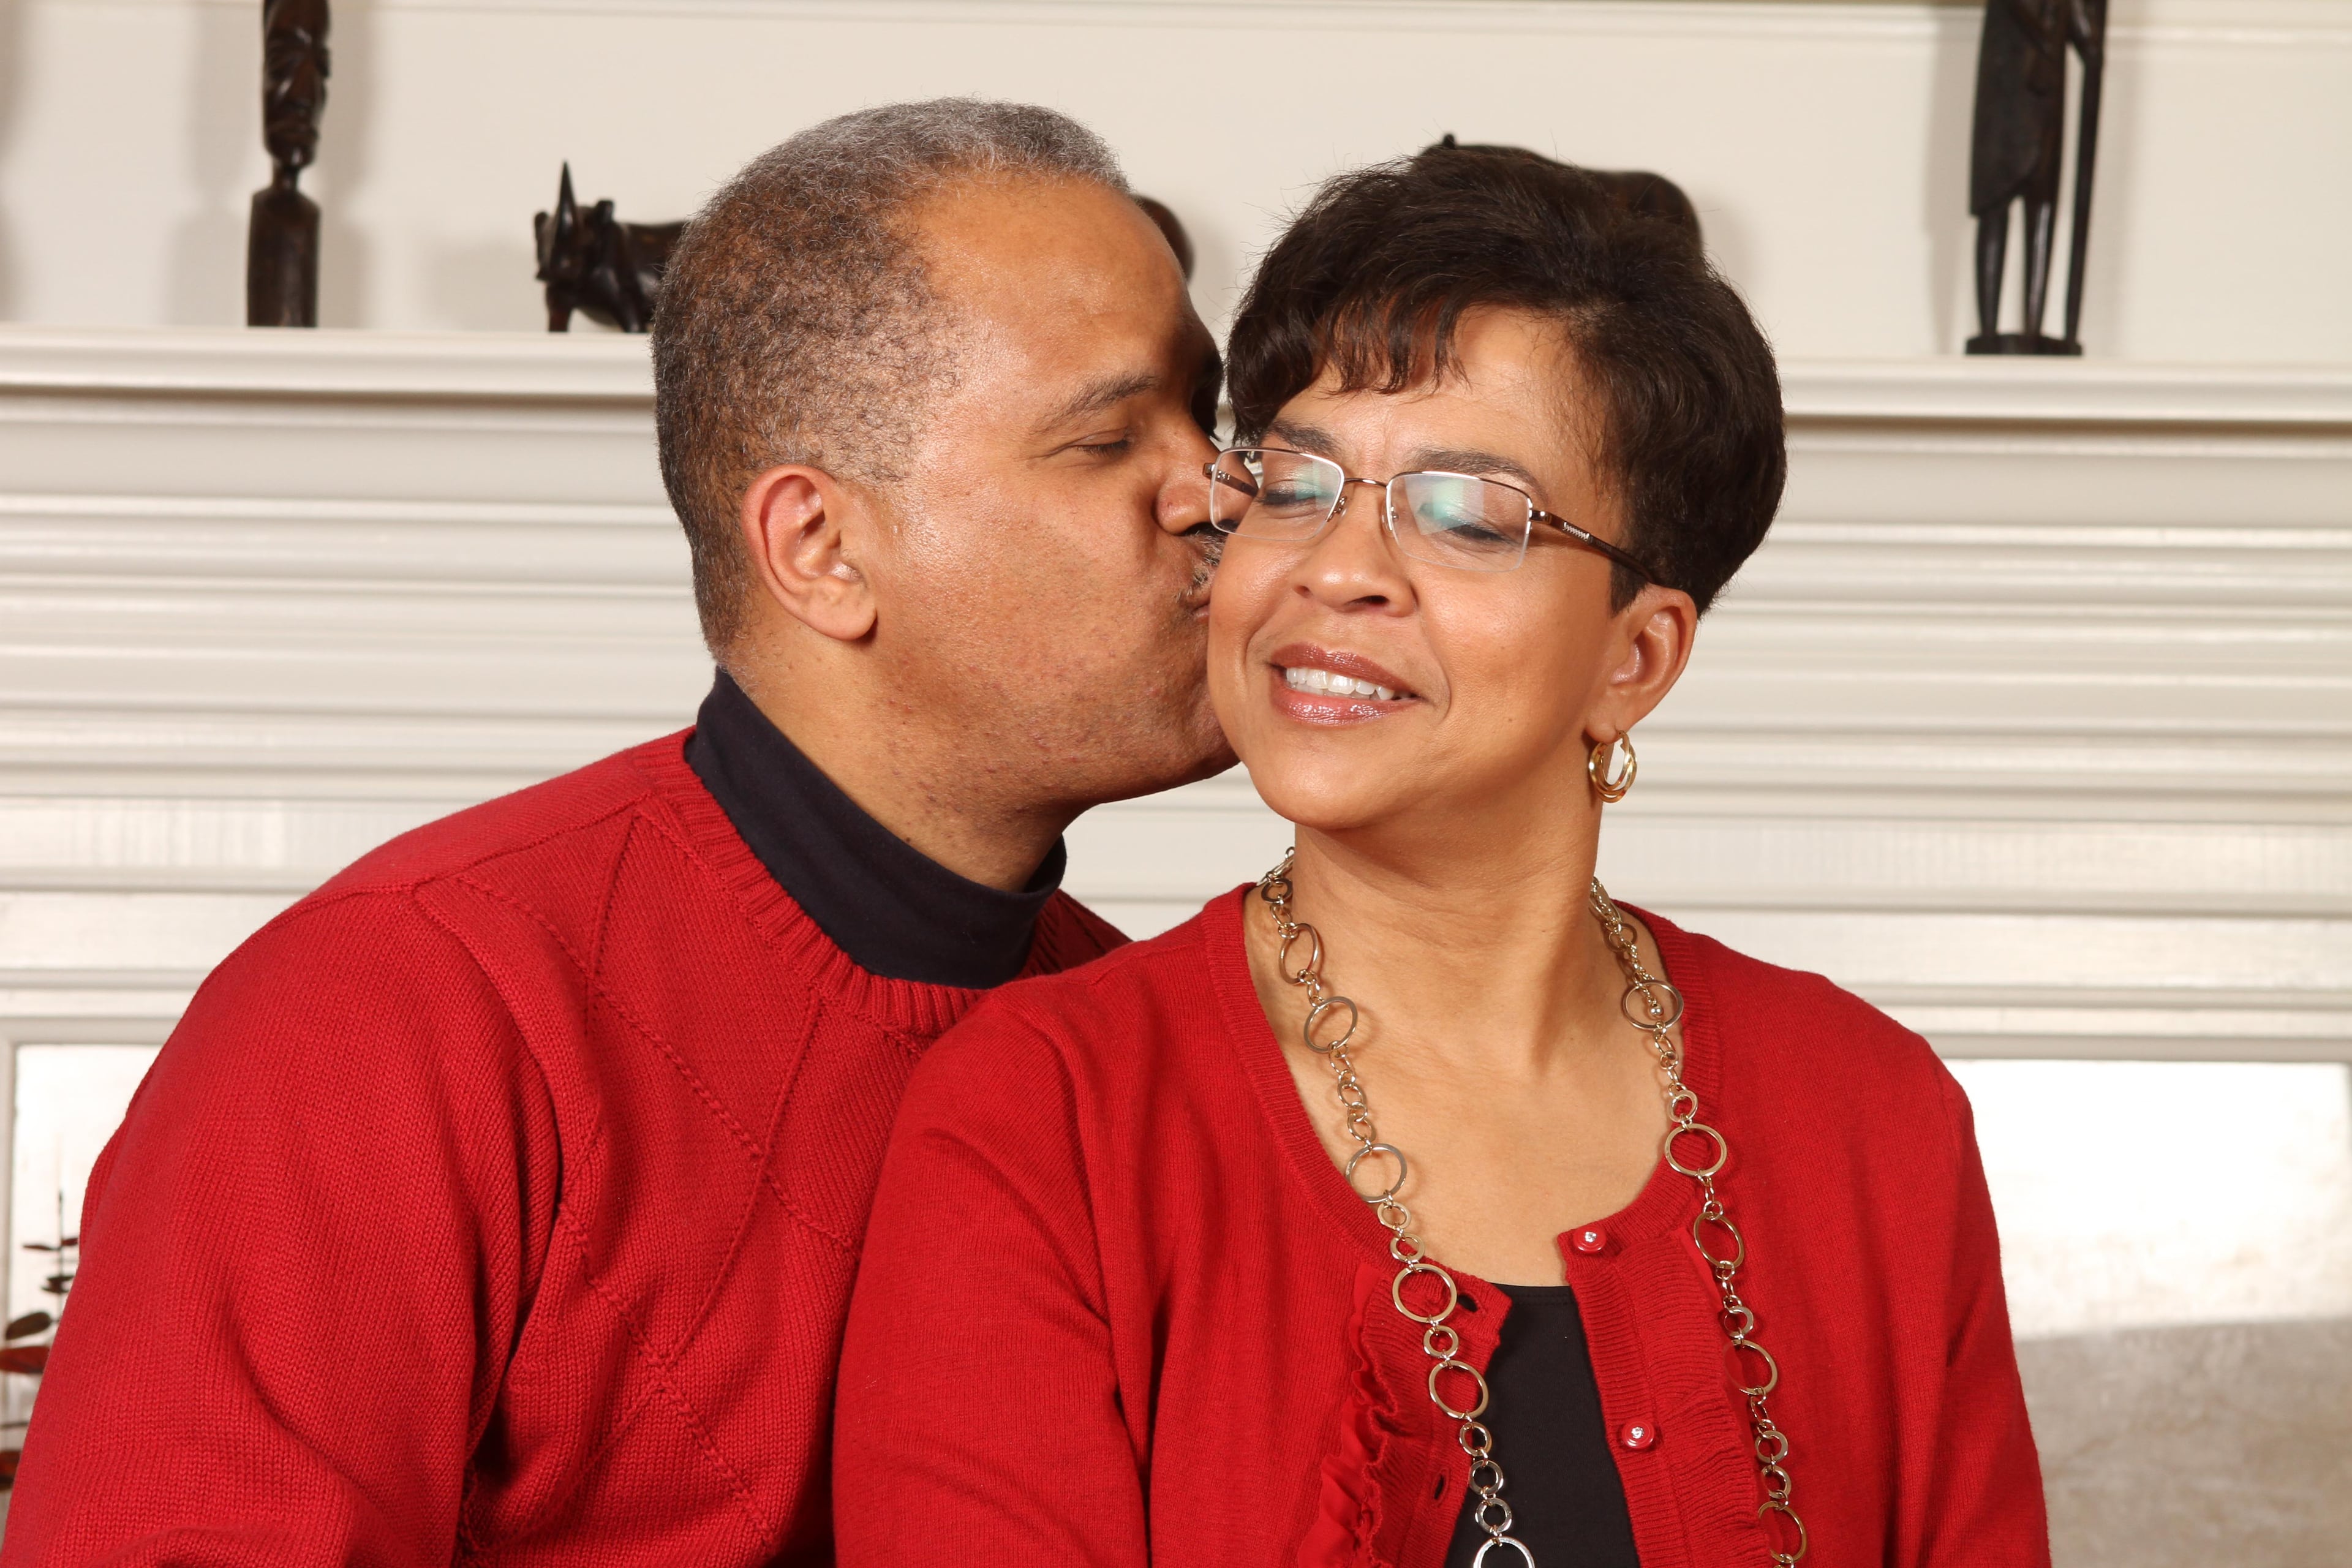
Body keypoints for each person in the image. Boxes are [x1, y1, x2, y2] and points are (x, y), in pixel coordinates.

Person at [3, 100, 1225, 1566]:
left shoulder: (1150, 1040)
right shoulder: (386, 1016)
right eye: (1109, 437)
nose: (1215, 487)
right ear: (820, 549)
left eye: (1203, 414)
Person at [835, 144, 2050, 1567]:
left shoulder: (1870, 1114)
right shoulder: (1046, 1115)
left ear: (1637, 653)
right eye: (1293, 483)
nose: (1335, 566)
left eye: (1469, 513)